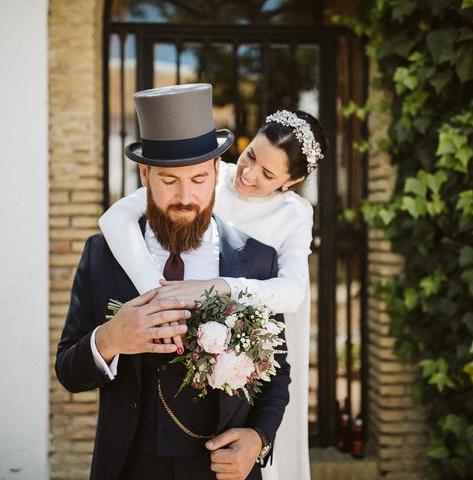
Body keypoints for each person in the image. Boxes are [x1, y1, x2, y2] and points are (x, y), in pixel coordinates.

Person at [55, 83, 290, 480]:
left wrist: (257, 438)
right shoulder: (102, 254)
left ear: (217, 172)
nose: (185, 196)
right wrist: (110, 340)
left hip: (223, 467)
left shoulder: (256, 257)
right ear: (144, 174)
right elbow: (68, 370)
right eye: (169, 181)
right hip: (130, 465)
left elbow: (277, 372)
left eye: (199, 179)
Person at [99, 107, 327, 480]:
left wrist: (219, 288)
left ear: (294, 180)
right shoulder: (206, 177)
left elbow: (293, 291)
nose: (249, 174)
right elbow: (115, 218)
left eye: (268, 174)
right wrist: (159, 295)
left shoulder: (295, 214)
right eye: (251, 155)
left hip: (256, 331)